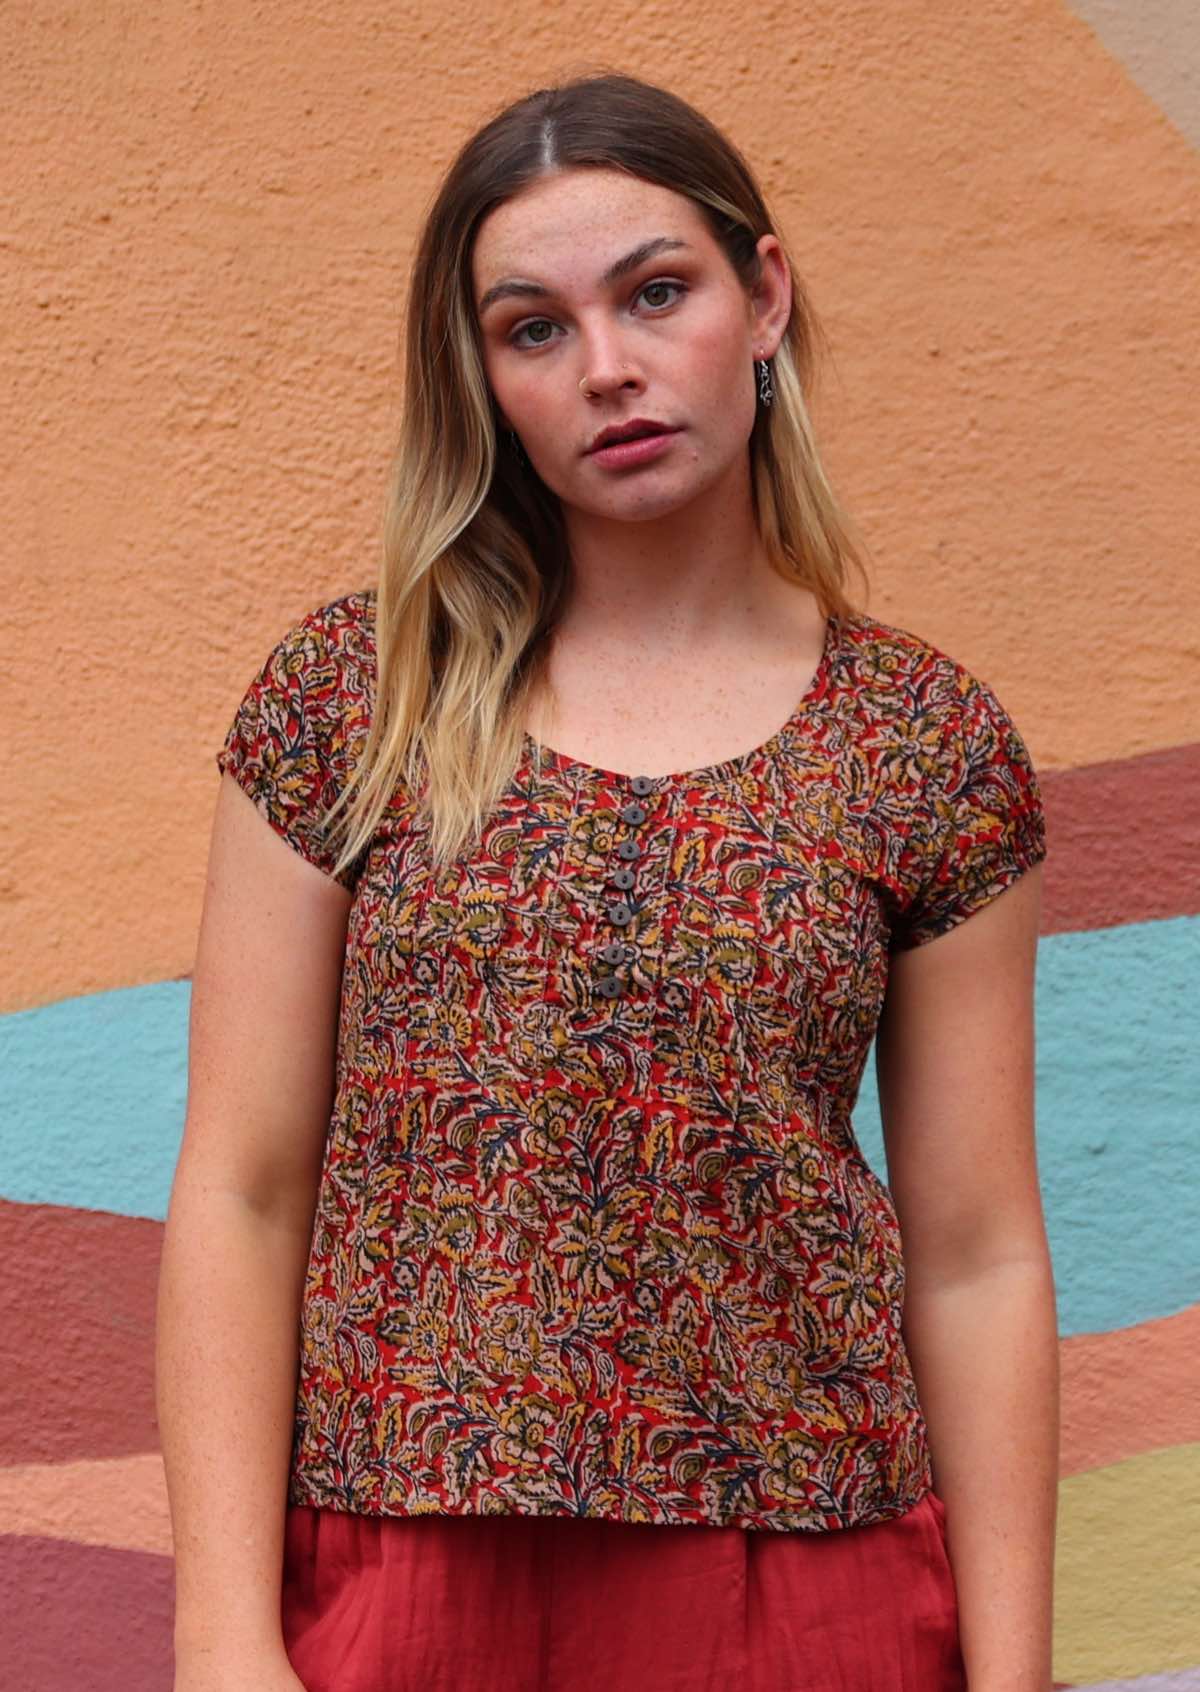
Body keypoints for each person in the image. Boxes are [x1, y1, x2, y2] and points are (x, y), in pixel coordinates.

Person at [156, 69, 1060, 1692]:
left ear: (763, 296)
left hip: (807, 1576)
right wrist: (221, 1633)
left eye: (658, 293)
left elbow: (980, 1244)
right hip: (405, 1565)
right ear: (484, 376)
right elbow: (240, 1185)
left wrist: (1011, 1670)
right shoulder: (354, 702)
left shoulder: (923, 741)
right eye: (535, 328)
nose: (613, 369)